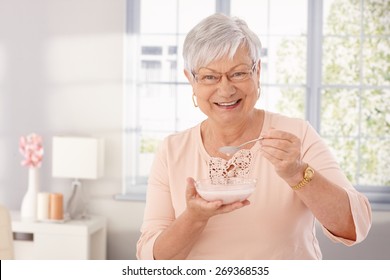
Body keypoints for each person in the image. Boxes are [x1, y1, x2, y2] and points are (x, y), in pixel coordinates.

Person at [136, 13, 372, 260]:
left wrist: (297, 173)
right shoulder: (172, 150)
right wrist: (194, 218)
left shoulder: (296, 134)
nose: (226, 89)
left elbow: (356, 225)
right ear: (191, 80)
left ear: (257, 71)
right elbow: (150, 258)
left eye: (238, 73)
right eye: (209, 77)